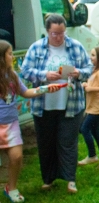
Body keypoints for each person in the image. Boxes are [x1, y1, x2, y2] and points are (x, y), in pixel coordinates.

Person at [21, 13, 92, 193]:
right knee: (46, 142)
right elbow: (25, 71)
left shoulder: (75, 46)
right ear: (47, 32)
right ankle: (48, 178)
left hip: (71, 103)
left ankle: (70, 179)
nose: (59, 37)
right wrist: (44, 75)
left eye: (61, 33)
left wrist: (78, 73)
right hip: (43, 105)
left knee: (68, 141)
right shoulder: (36, 48)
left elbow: (89, 69)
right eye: (55, 33)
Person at [0, 40, 58, 203]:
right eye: (10, 53)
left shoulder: (12, 75)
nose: (12, 56)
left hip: (11, 123)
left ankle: (11, 188)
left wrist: (45, 89)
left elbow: (25, 92)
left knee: (16, 156)